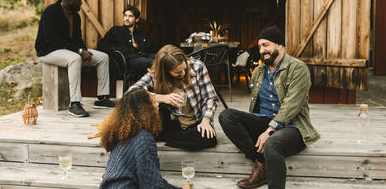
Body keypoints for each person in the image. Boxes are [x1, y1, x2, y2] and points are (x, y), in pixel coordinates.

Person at [218, 25, 320, 189]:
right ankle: (261, 163)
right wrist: (258, 128)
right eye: (259, 47)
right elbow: (255, 107)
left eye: (266, 45)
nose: (261, 50)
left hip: (293, 127)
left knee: (272, 143)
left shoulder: (298, 68)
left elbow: (292, 105)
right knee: (226, 116)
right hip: (265, 121)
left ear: (279, 45)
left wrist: (269, 131)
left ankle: (265, 170)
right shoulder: (259, 71)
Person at [35, 0, 115, 117]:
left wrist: (84, 50)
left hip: (68, 51)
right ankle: (75, 103)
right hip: (48, 51)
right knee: (75, 58)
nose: (81, 2)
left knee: (103, 57)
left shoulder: (75, 16)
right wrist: (79, 51)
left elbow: (78, 38)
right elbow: (52, 40)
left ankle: (102, 98)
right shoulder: (50, 12)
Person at [128, 44, 218, 151]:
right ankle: (172, 137)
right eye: (178, 72)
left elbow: (210, 98)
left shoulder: (198, 67)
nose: (183, 73)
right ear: (165, 71)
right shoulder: (156, 75)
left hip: (194, 122)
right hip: (170, 122)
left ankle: (163, 137)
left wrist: (206, 121)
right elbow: (130, 94)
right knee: (143, 117)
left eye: (184, 68)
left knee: (210, 138)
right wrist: (159, 97)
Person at [99, 88, 192, 189]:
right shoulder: (144, 139)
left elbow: (152, 179)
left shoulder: (122, 134)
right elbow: (152, 185)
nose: (157, 104)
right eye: (153, 101)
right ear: (144, 109)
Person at [97, 5, 156, 77]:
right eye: (125, 16)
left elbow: (152, 46)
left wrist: (138, 46)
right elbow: (101, 45)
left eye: (130, 16)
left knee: (162, 58)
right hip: (128, 61)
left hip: (141, 56)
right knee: (154, 63)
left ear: (137, 19)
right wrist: (119, 48)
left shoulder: (140, 33)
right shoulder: (116, 30)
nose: (127, 19)